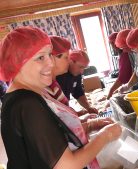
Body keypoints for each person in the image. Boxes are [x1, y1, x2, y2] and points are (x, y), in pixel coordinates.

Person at [0, 26, 122, 169]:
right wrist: (106, 135)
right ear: (18, 61)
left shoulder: (27, 94)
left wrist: (89, 126)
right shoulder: (26, 104)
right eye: (40, 57)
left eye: (49, 55)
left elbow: (50, 138)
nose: (50, 63)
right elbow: (67, 166)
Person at [56, 50, 99, 114]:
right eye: (80, 67)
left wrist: (88, 107)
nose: (81, 72)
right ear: (70, 61)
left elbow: (78, 92)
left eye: (84, 68)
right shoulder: (60, 75)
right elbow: (58, 104)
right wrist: (74, 113)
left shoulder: (77, 74)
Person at [107, 30, 133, 99]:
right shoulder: (125, 53)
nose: (112, 46)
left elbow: (123, 78)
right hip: (132, 85)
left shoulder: (126, 54)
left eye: (112, 43)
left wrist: (111, 91)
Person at [45, 36, 71, 106]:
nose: (69, 61)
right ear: (51, 58)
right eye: (66, 57)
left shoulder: (53, 84)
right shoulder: (46, 89)